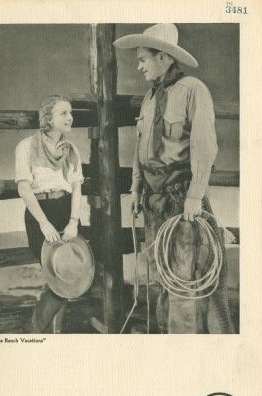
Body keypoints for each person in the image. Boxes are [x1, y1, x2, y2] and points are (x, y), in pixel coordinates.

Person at [113, 23, 234, 333]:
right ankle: (169, 340)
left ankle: (188, 350)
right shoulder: (150, 100)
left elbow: (204, 147)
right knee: (163, 275)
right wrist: (137, 189)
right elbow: (142, 148)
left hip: (182, 199)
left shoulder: (194, 90)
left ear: (163, 57)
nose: (138, 66)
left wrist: (195, 196)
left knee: (185, 280)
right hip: (155, 201)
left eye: (143, 59)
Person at [15, 95, 84, 333]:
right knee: (55, 275)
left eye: (71, 112)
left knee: (69, 274)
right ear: (48, 118)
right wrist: (44, 224)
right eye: (63, 113)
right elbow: (24, 188)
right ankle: (33, 329)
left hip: (67, 212)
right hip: (40, 214)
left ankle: (52, 333)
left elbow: (76, 187)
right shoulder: (26, 146)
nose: (70, 117)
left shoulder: (72, 150)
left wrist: (74, 221)